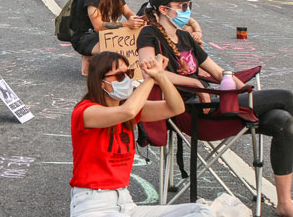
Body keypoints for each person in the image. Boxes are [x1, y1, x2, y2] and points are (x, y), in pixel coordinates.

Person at [138, 0, 293, 217]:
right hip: (188, 112)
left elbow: (219, 73)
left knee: (282, 120)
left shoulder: (185, 38)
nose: (187, 10)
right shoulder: (149, 34)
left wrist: (245, 92)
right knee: (286, 97)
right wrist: (196, 83)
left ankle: (284, 203)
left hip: (213, 103)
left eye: (188, 5)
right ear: (163, 9)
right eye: (182, 6)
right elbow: (149, 71)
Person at [70, 51, 213, 217]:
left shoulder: (131, 109)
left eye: (129, 73)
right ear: (101, 82)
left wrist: (160, 75)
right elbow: (128, 111)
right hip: (93, 204)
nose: (127, 80)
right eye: (120, 75)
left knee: (202, 212)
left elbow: (175, 108)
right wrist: (151, 78)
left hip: (124, 200)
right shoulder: (85, 111)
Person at [70, 0, 144, 75]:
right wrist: (126, 24)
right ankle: (90, 56)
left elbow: (127, 12)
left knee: (134, 37)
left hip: (99, 34)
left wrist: (136, 19)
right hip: (84, 36)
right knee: (118, 49)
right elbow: (98, 26)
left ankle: (93, 58)